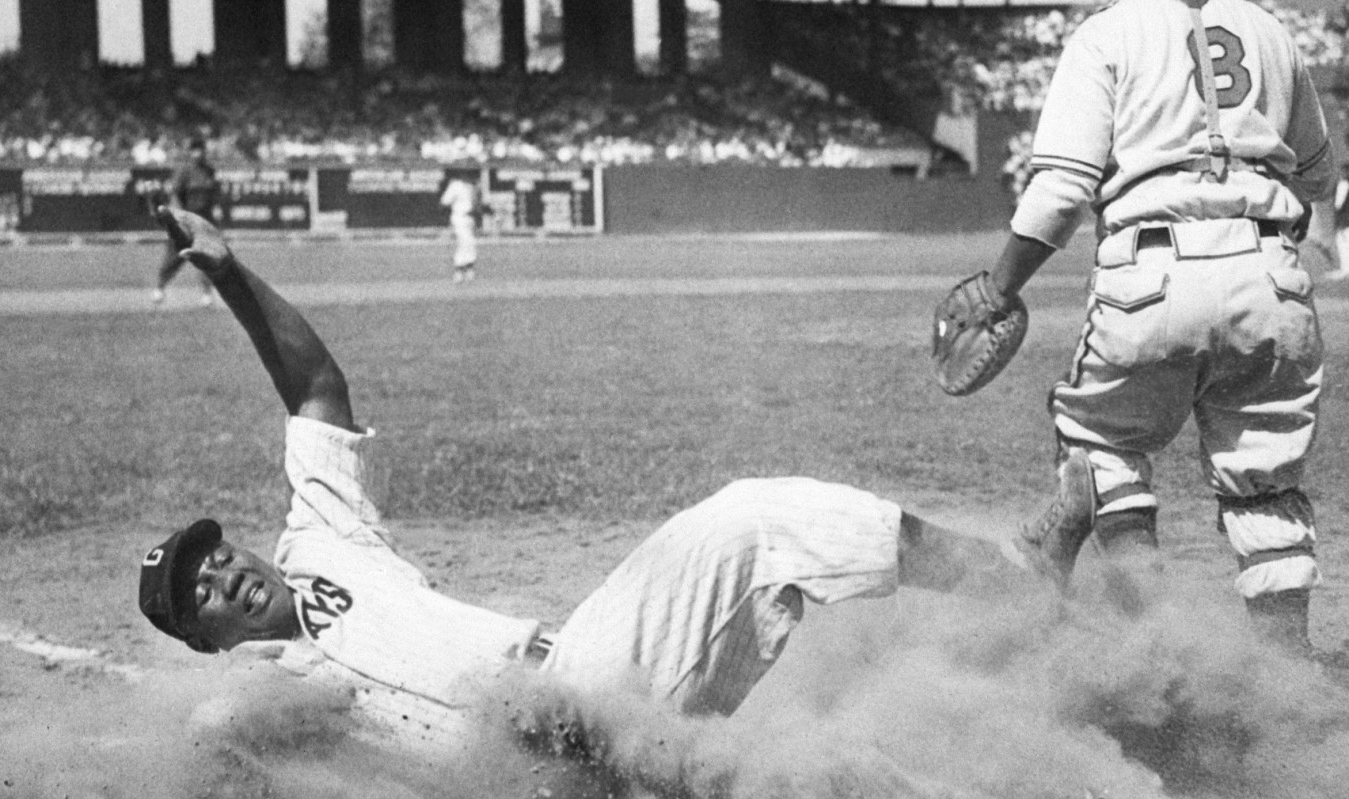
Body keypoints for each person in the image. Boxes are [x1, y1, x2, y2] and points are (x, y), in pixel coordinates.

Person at [137, 205, 1017, 727]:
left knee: (755, 519)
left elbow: (318, 392)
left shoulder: (321, 542)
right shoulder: (251, 706)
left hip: (583, 693)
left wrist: (233, 276)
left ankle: (1010, 583)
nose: (222, 575)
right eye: (199, 593)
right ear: (201, 639)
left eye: (215, 556)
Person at [954, 0, 1339, 655]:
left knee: (1100, 452)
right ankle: (1286, 689)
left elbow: (1061, 191)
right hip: (1271, 276)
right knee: (1266, 487)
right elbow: (1319, 173)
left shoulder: (1107, 32)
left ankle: (1164, 652)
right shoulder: (1271, 32)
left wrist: (999, 288)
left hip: (1153, 270)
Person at [153, 138, 222, 306]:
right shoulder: (184, 170)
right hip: (186, 221)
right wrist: (179, 217)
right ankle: (160, 288)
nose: (198, 153)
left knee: (206, 258)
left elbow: (213, 193)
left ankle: (207, 294)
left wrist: (216, 208)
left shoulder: (209, 171)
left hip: (204, 221)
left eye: (200, 149)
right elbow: (175, 193)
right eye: (194, 150)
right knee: (174, 257)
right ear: (190, 152)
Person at [438, 172, 483, 283]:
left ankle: (467, 270)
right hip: (460, 217)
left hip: (471, 217)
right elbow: (444, 201)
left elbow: (477, 204)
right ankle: (460, 270)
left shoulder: (474, 186)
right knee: (465, 241)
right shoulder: (456, 185)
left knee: (470, 243)